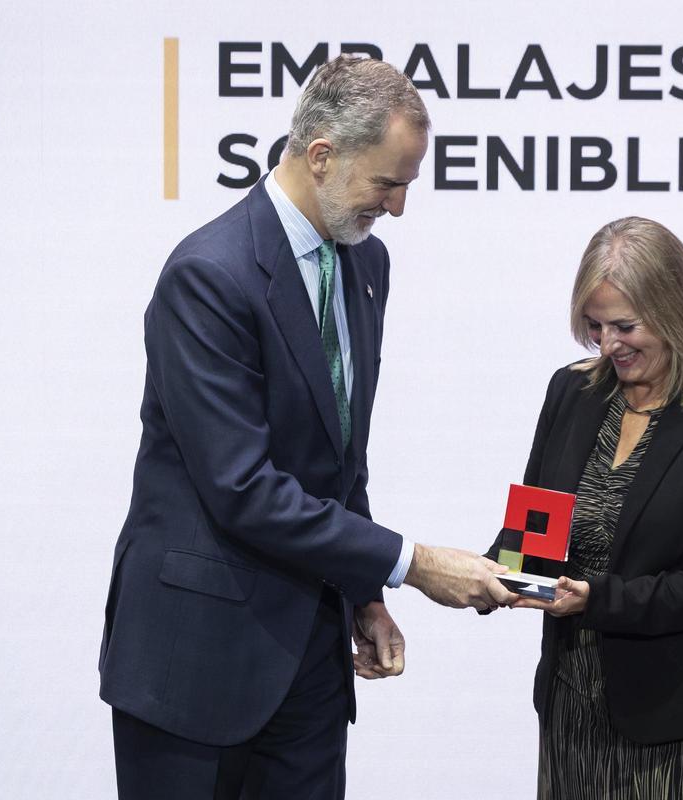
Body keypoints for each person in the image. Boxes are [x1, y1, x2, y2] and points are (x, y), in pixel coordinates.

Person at [99, 55, 515, 800]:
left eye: (406, 186)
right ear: (320, 154)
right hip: (193, 666)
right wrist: (412, 564)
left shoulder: (364, 263)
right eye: (386, 183)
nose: (396, 208)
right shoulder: (209, 275)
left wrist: (364, 593)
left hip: (310, 667)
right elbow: (244, 489)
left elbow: (338, 457)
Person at [497, 217, 683, 799]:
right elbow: (533, 536)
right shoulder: (571, 392)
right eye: (595, 326)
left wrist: (599, 599)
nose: (609, 345)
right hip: (573, 716)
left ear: (677, 310)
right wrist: (489, 574)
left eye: (625, 326)